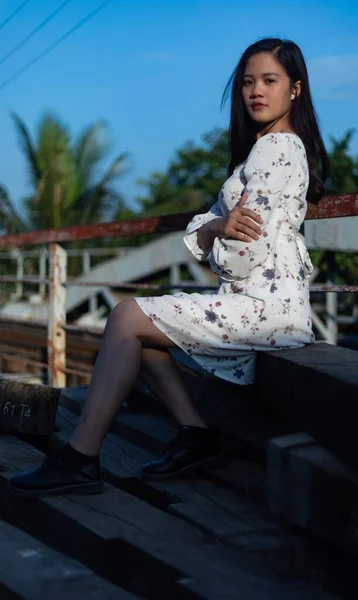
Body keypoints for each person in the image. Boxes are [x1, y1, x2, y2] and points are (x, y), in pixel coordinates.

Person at [8, 37, 328, 498]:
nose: (256, 91)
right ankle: (195, 435)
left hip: (267, 309)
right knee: (143, 331)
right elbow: (204, 227)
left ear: (295, 90)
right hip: (258, 304)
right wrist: (217, 225)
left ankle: (78, 458)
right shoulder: (264, 150)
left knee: (125, 317)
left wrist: (216, 235)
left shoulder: (276, 150)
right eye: (247, 82)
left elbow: (243, 256)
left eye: (270, 81)